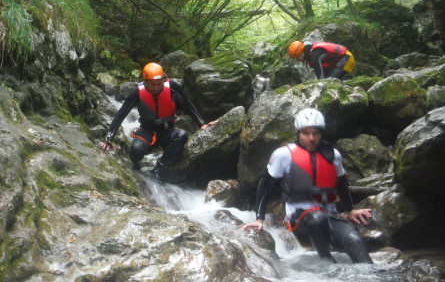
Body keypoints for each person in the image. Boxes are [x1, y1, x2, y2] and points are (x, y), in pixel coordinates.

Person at [241, 108, 373, 264]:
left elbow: (342, 185)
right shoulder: (284, 155)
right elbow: (265, 185)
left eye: (315, 133)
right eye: (306, 133)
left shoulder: (333, 155)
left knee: (354, 241)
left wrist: (351, 210)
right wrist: (259, 219)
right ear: (298, 133)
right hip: (299, 218)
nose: (311, 138)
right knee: (317, 219)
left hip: (330, 214)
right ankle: (328, 265)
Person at [99, 62, 216, 179]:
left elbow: (187, 104)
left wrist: (202, 124)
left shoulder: (172, 87)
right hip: (146, 132)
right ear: (145, 82)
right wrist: (109, 139)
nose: (156, 87)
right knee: (136, 149)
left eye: (159, 84)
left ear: (163, 80)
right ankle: (136, 167)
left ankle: (158, 170)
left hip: (167, 131)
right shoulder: (137, 93)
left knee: (181, 135)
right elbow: (121, 114)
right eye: (152, 84)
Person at [288, 41, 356, 80]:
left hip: (345, 58)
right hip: (341, 59)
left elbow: (321, 79)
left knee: (328, 82)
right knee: (330, 79)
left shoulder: (314, 56)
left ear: (301, 53)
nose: (297, 60)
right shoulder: (310, 53)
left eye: (297, 58)